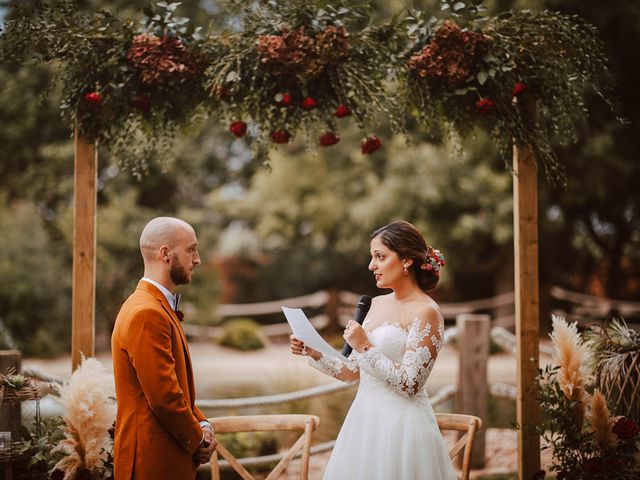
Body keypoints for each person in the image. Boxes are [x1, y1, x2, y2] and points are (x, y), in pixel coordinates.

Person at [290, 220, 457, 479]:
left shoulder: (426, 312)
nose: (372, 266)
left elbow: (411, 383)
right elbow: (356, 373)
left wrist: (365, 346)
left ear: (406, 261)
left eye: (380, 256)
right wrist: (314, 352)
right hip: (364, 422)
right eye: (372, 257)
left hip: (403, 428)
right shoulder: (376, 304)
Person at [111, 217, 217, 479]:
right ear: (166, 254)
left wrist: (203, 422)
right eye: (191, 249)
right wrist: (198, 440)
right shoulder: (146, 312)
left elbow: (174, 387)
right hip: (153, 463)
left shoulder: (154, 306)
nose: (198, 259)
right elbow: (164, 398)